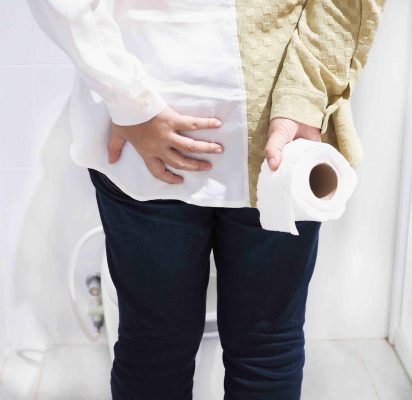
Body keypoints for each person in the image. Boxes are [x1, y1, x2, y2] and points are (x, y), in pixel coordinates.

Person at [27, 0, 386, 398]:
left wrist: (128, 98)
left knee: (164, 349)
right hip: (250, 127)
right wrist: (130, 103)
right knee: (259, 349)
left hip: (252, 133)